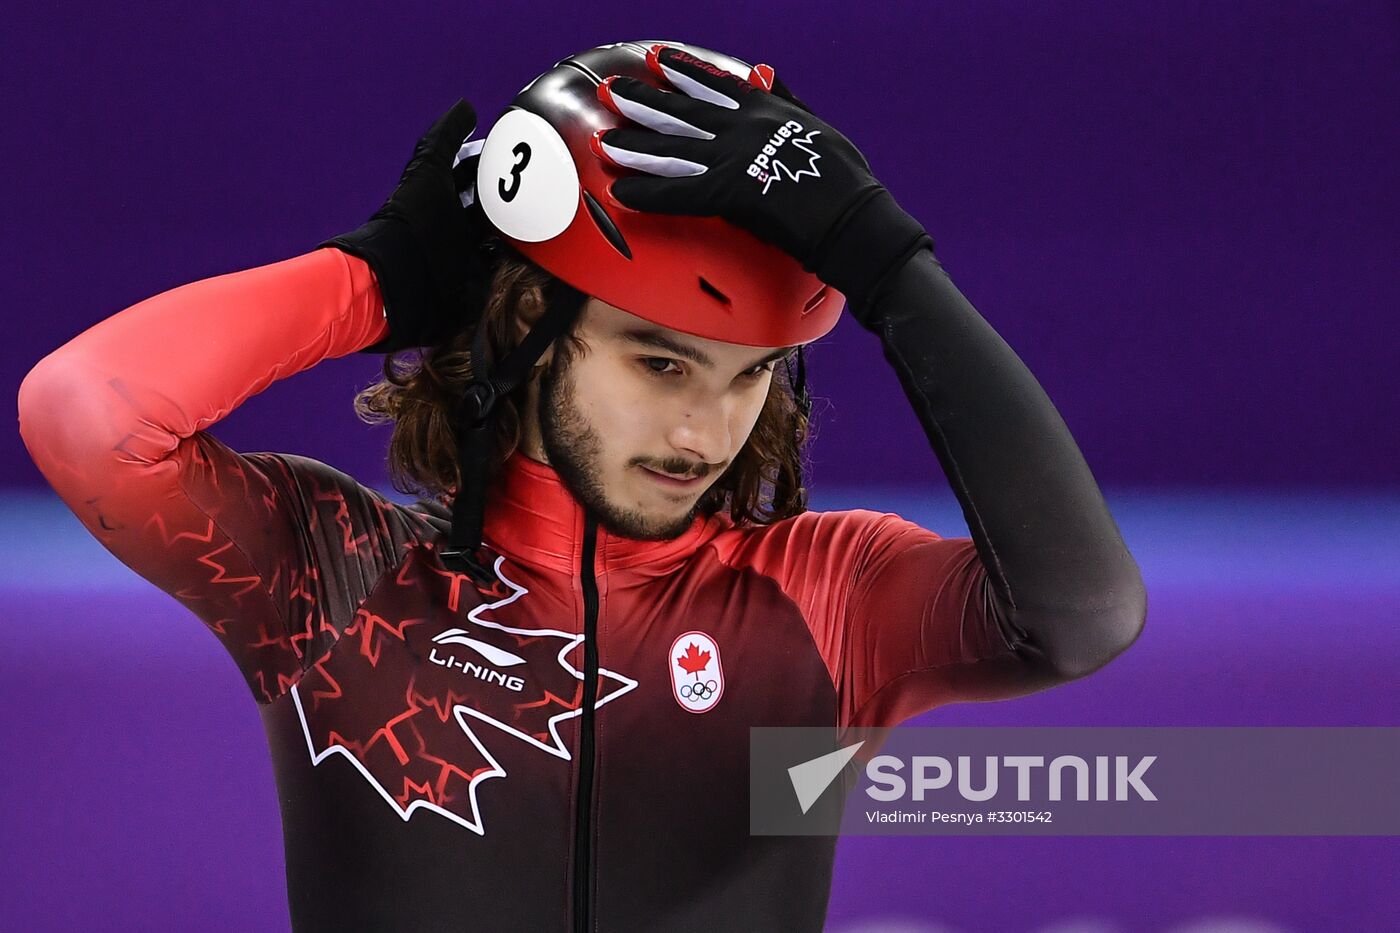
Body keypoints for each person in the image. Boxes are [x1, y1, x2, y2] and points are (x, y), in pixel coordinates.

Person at [18, 40, 1145, 933]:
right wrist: (376, 280)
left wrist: (889, 264)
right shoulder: (334, 575)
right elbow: (87, 414)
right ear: (526, 323)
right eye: (658, 362)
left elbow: (1079, 619)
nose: (706, 427)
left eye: (750, 375)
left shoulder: (828, 597)